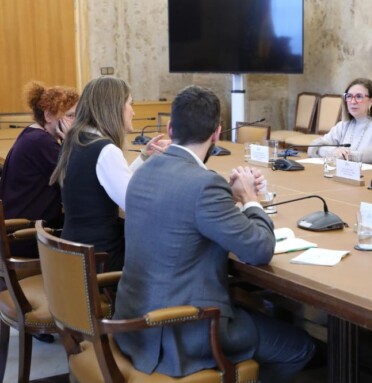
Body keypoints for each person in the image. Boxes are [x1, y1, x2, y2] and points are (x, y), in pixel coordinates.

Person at [113, 85, 315, 382]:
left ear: (170, 127)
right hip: (182, 330)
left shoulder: (145, 170)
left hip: (133, 320)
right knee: (299, 347)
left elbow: (183, 209)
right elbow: (259, 249)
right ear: (217, 133)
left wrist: (229, 197)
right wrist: (251, 201)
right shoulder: (204, 185)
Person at [50, 76, 169, 271]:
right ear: (113, 107)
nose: (133, 111)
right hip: (100, 260)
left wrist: (144, 157)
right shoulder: (104, 150)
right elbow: (136, 205)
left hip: (76, 254)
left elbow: (106, 182)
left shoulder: (77, 140)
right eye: (130, 104)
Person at [0, 81, 79, 257]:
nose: (77, 121)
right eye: (71, 115)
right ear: (48, 116)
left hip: (21, 230)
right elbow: (74, 181)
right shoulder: (40, 142)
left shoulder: (33, 135)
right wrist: (70, 142)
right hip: (26, 236)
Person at [308, 77, 372, 165]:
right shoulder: (344, 125)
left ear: (371, 101)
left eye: (359, 96)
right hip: (351, 175)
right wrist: (334, 151)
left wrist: (348, 155)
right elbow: (314, 148)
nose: (352, 101)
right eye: (349, 96)